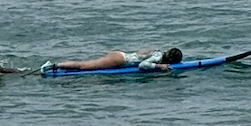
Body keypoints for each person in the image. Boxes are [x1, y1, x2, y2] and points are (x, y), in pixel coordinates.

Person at [42, 46, 184, 74]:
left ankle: (56, 66)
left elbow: (141, 52)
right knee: (85, 66)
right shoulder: (158, 58)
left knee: (86, 65)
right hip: (119, 60)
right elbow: (143, 65)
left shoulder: (157, 52)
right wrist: (160, 67)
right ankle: (53, 66)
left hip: (121, 56)